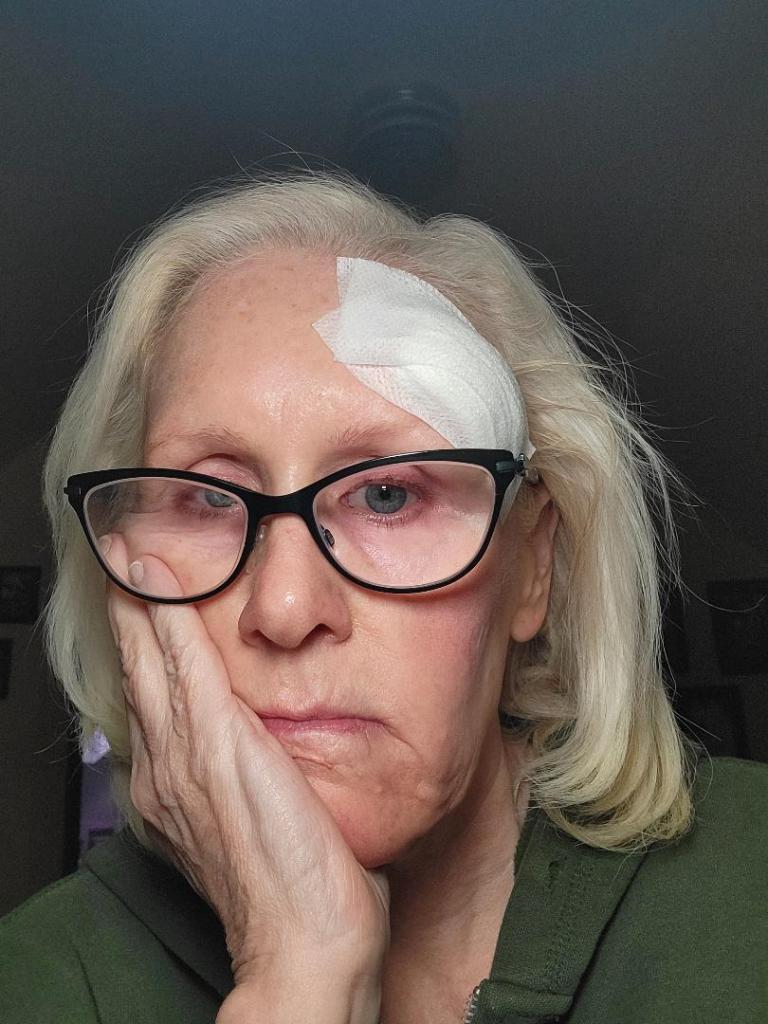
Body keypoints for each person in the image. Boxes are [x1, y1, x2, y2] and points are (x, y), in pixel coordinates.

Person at [1, 173, 766, 1024]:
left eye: (389, 495)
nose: (286, 608)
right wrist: (300, 977)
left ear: (533, 565)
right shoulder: (41, 983)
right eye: (209, 497)